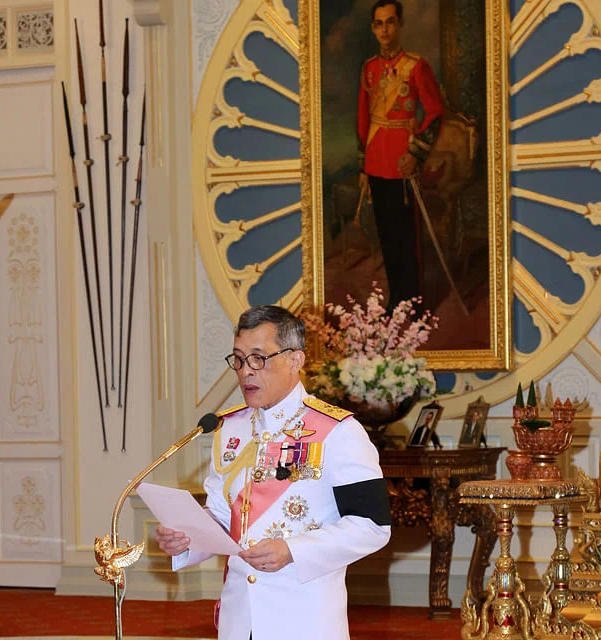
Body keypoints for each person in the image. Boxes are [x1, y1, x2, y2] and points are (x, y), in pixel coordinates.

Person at [154, 305, 392, 640]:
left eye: (258, 358)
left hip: (304, 618)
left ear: (295, 360)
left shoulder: (339, 431)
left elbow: (372, 526)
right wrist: (187, 538)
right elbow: (222, 516)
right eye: (238, 359)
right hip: (240, 619)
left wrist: (292, 550)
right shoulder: (229, 429)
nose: (245, 372)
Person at [357, 0, 444, 312]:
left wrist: (416, 154)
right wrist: (364, 164)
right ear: (373, 29)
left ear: (400, 25)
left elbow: (435, 113)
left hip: (402, 163)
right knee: (388, 236)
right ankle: (397, 298)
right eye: (379, 24)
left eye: (390, 22)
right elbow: (363, 118)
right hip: (376, 163)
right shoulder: (369, 69)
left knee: (409, 238)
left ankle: (415, 302)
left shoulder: (416, 66)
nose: (385, 30)